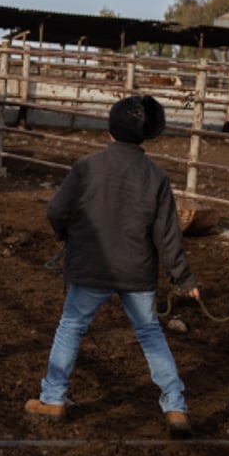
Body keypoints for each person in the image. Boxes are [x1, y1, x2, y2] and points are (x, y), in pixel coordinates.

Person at [25, 95, 199, 437]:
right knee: (150, 334)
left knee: (71, 326)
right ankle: (176, 407)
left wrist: (68, 235)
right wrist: (184, 278)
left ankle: (53, 398)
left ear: (110, 130)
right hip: (137, 271)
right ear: (146, 135)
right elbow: (168, 234)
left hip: (92, 265)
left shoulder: (86, 167)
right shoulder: (156, 176)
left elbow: (55, 211)